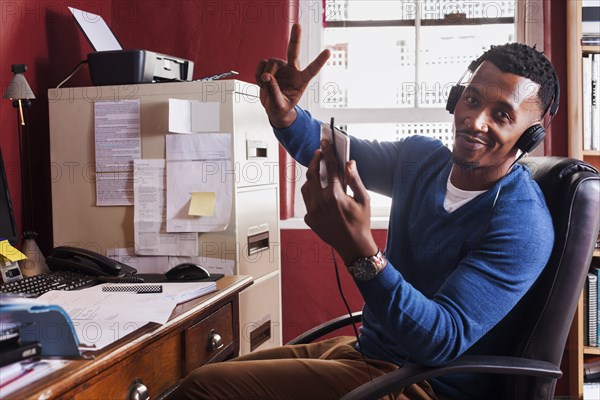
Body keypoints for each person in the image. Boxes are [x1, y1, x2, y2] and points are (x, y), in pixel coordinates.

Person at [173, 23, 556, 400]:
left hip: (423, 384)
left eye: (502, 116)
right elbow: (340, 153)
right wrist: (287, 116)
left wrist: (361, 252)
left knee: (202, 391)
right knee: (200, 377)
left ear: (531, 135)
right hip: (365, 354)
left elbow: (440, 340)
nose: (475, 121)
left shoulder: (522, 223)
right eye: (471, 100)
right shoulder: (421, 159)